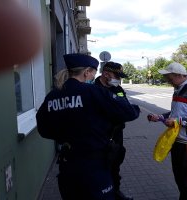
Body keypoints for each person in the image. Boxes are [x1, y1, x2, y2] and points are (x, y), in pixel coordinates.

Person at [36, 53, 140, 200]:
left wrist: (66, 135)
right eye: (93, 72)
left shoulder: (52, 96)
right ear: (86, 72)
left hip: (67, 165)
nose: (93, 76)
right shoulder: (92, 92)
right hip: (93, 165)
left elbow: (43, 129)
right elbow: (129, 112)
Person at [147, 62, 187, 200]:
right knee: (181, 180)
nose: (168, 82)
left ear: (179, 75)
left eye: (170, 79)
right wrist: (161, 117)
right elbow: (177, 112)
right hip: (176, 140)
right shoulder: (178, 88)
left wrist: (178, 122)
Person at [94, 61, 133, 200]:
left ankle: (115, 192)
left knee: (115, 164)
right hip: (101, 136)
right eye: (117, 76)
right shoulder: (94, 90)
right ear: (105, 74)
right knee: (101, 166)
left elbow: (127, 108)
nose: (119, 79)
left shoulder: (117, 89)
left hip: (117, 134)